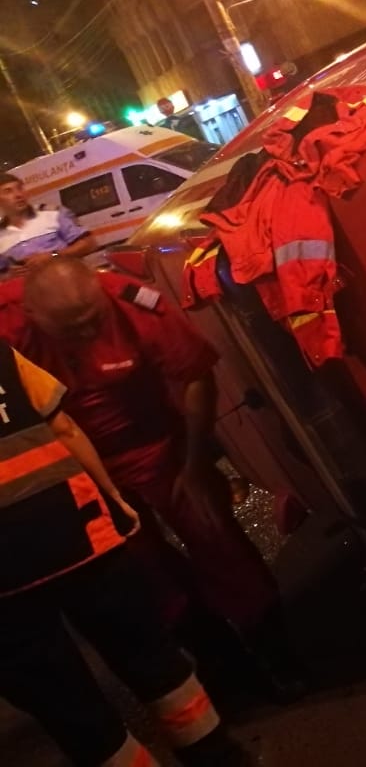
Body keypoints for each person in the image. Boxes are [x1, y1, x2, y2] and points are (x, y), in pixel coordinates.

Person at [0, 259, 304, 697]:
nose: (88, 334)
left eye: (93, 321)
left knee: (217, 541)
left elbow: (196, 376)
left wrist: (196, 467)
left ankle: (279, 656)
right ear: (32, 314)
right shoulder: (8, 322)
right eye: (72, 329)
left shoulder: (130, 303)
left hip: (156, 445)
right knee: (142, 571)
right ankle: (221, 664)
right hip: (78, 463)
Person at [0, 337, 248, 765]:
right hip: (77, 532)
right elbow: (64, 428)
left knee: (64, 700)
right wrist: (112, 496)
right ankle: (218, 757)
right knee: (149, 654)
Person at [0, 172, 96, 274]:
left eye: (20, 188)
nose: (18, 195)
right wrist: (8, 275)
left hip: (69, 279)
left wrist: (54, 256)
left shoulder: (53, 213)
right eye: (8, 191)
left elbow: (89, 244)